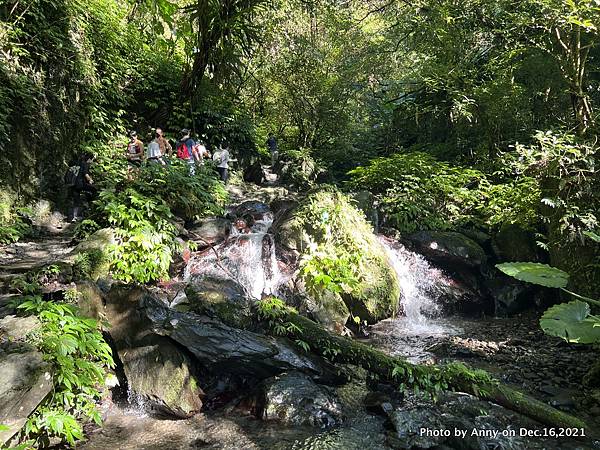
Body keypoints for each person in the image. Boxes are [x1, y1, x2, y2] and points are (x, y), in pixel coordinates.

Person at [69, 152, 97, 222]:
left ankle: (74, 217)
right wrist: (90, 180)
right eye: (92, 159)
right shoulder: (86, 164)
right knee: (94, 190)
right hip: (80, 184)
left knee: (76, 200)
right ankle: (90, 205)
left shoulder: (79, 162)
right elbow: (86, 174)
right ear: (90, 159)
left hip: (74, 183)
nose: (92, 161)